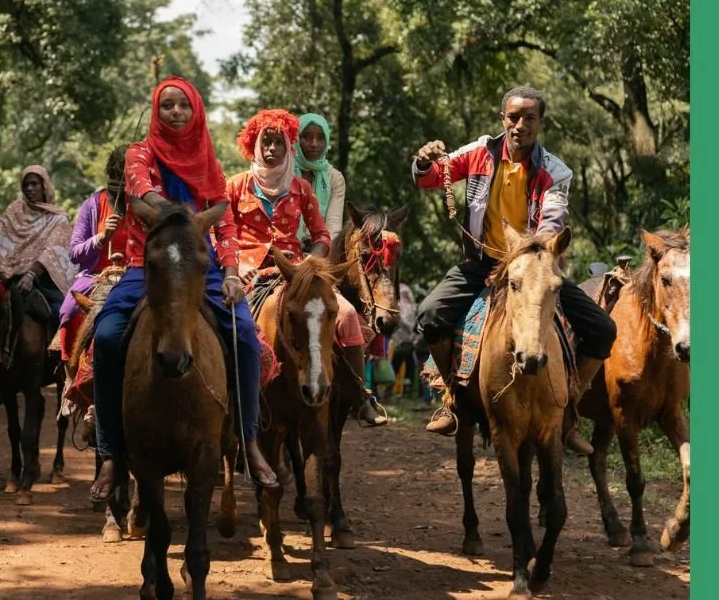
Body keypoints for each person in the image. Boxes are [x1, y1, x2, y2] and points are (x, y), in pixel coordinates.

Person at [88, 77, 278, 500]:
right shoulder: (140, 154)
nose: (175, 112)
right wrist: (190, 216)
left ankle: (247, 441)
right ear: (157, 112)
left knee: (246, 337)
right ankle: (111, 454)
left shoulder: (210, 163)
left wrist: (230, 272)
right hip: (149, 264)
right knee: (104, 337)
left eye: (183, 106)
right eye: (168, 106)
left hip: (201, 266)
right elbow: (144, 194)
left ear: (196, 112)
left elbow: (225, 222)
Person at [411, 86, 615, 441]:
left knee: (603, 329)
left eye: (530, 118)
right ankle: (452, 397)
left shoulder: (556, 172)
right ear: (502, 119)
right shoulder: (478, 153)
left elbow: (552, 225)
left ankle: (568, 412)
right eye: (513, 117)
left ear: (541, 123)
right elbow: (430, 178)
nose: (520, 125)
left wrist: (523, 260)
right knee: (429, 314)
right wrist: (425, 161)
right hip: (481, 264)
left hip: (533, 269)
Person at [225, 108, 384, 426]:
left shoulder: (300, 188)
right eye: (264, 142)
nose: (271, 150)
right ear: (253, 146)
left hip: (294, 272)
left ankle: (358, 395)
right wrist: (237, 262)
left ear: (288, 147)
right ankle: (226, 403)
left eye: (278, 143)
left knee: (349, 314)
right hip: (246, 274)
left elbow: (323, 234)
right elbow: (221, 232)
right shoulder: (234, 186)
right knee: (220, 324)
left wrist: (312, 260)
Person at [0, 166, 74, 325]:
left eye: (34, 184)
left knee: (62, 315)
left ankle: (60, 350)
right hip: (9, 277)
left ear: (44, 186)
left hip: (43, 281)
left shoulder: (58, 218)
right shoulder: (15, 210)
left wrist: (31, 275)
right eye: (26, 185)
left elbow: (51, 251)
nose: (30, 188)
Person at [58, 146, 129, 364]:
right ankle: (70, 370)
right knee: (68, 312)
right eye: (118, 175)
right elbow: (74, 253)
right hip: (95, 276)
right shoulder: (92, 205)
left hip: (136, 275)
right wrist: (101, 237)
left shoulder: (146, 203)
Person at [296, 113, 349, 240]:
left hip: (322, 249)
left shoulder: (335, 178)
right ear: (296, 139)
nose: (314, 144)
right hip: (285, 248)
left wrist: (321, 248)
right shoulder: (283, 173)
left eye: (320, 138)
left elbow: (333, 224)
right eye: (307, 137)